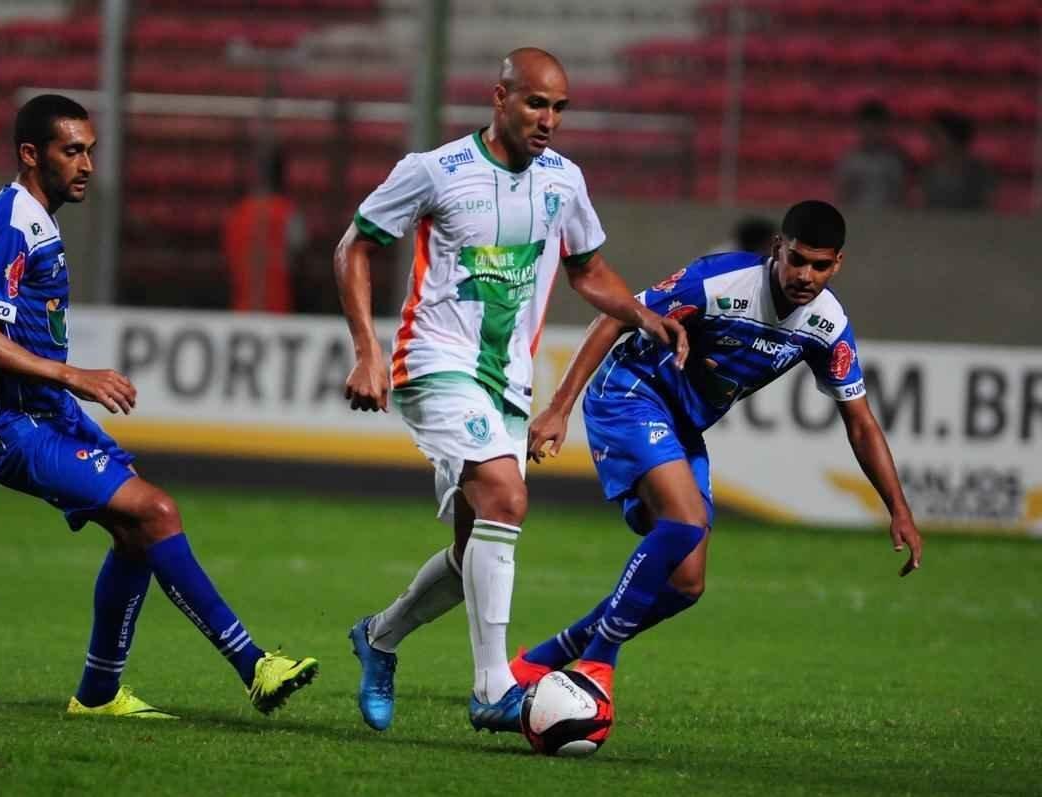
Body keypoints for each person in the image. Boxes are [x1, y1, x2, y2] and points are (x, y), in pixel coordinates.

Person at [0, 94, 318, 720]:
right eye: (72, 151)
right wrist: (72, 375)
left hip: (44, 415)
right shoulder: (10, 219)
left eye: (90, 151)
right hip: (16, 427)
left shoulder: (29, 216)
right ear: (30, 154)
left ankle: (98, 694)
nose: (87, 164)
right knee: (156, 511)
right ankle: (253, 665)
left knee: (136, 534)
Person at [333, 48, 689, 733]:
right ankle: (494, 687)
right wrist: (367, 352)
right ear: (499, 99)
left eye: (558, 108)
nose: (548, 119)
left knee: (475, 546)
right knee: (505, 493)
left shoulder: (564, 181)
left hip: (509, 382)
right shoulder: (435, 171)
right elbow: (354, 245)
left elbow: (587, 269)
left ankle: (377, 637)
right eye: (535, 103)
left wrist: (641, 314)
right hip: (436, 362)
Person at [508, 200, 924, 741]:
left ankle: (539, 661)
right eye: (797, 259)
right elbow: (616, 315)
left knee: (686, 583)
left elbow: (861, 423)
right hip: (630, 393)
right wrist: (560, 406)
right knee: (682, 522)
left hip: (682, 424)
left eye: (820, 266)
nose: (805, 276)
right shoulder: (719, 282)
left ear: (837, 264)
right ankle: (597, 664)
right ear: (777, 247)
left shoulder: (828, 327)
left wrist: (899, 509)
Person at [221, 146, 307, 313]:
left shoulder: (237, 214)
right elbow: (300, 261)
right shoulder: (288, 214)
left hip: (241, 310)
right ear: (282, 175)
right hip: (279, 311)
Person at [834, 99, 910, 210]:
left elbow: (901, 195)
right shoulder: (850, 161)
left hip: (888, 218)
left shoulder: (894, 161)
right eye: (867, 128)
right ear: (860, 128)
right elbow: (842, 195)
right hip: (858, 216)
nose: (872, 133)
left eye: (876, 129)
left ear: (884, 129)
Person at [920, 110, 995, 211]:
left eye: (936, 137)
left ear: (954, 140)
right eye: (931, 137)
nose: (931, 143)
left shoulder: (980, 172)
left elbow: (988, 207)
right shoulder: (928, 172)